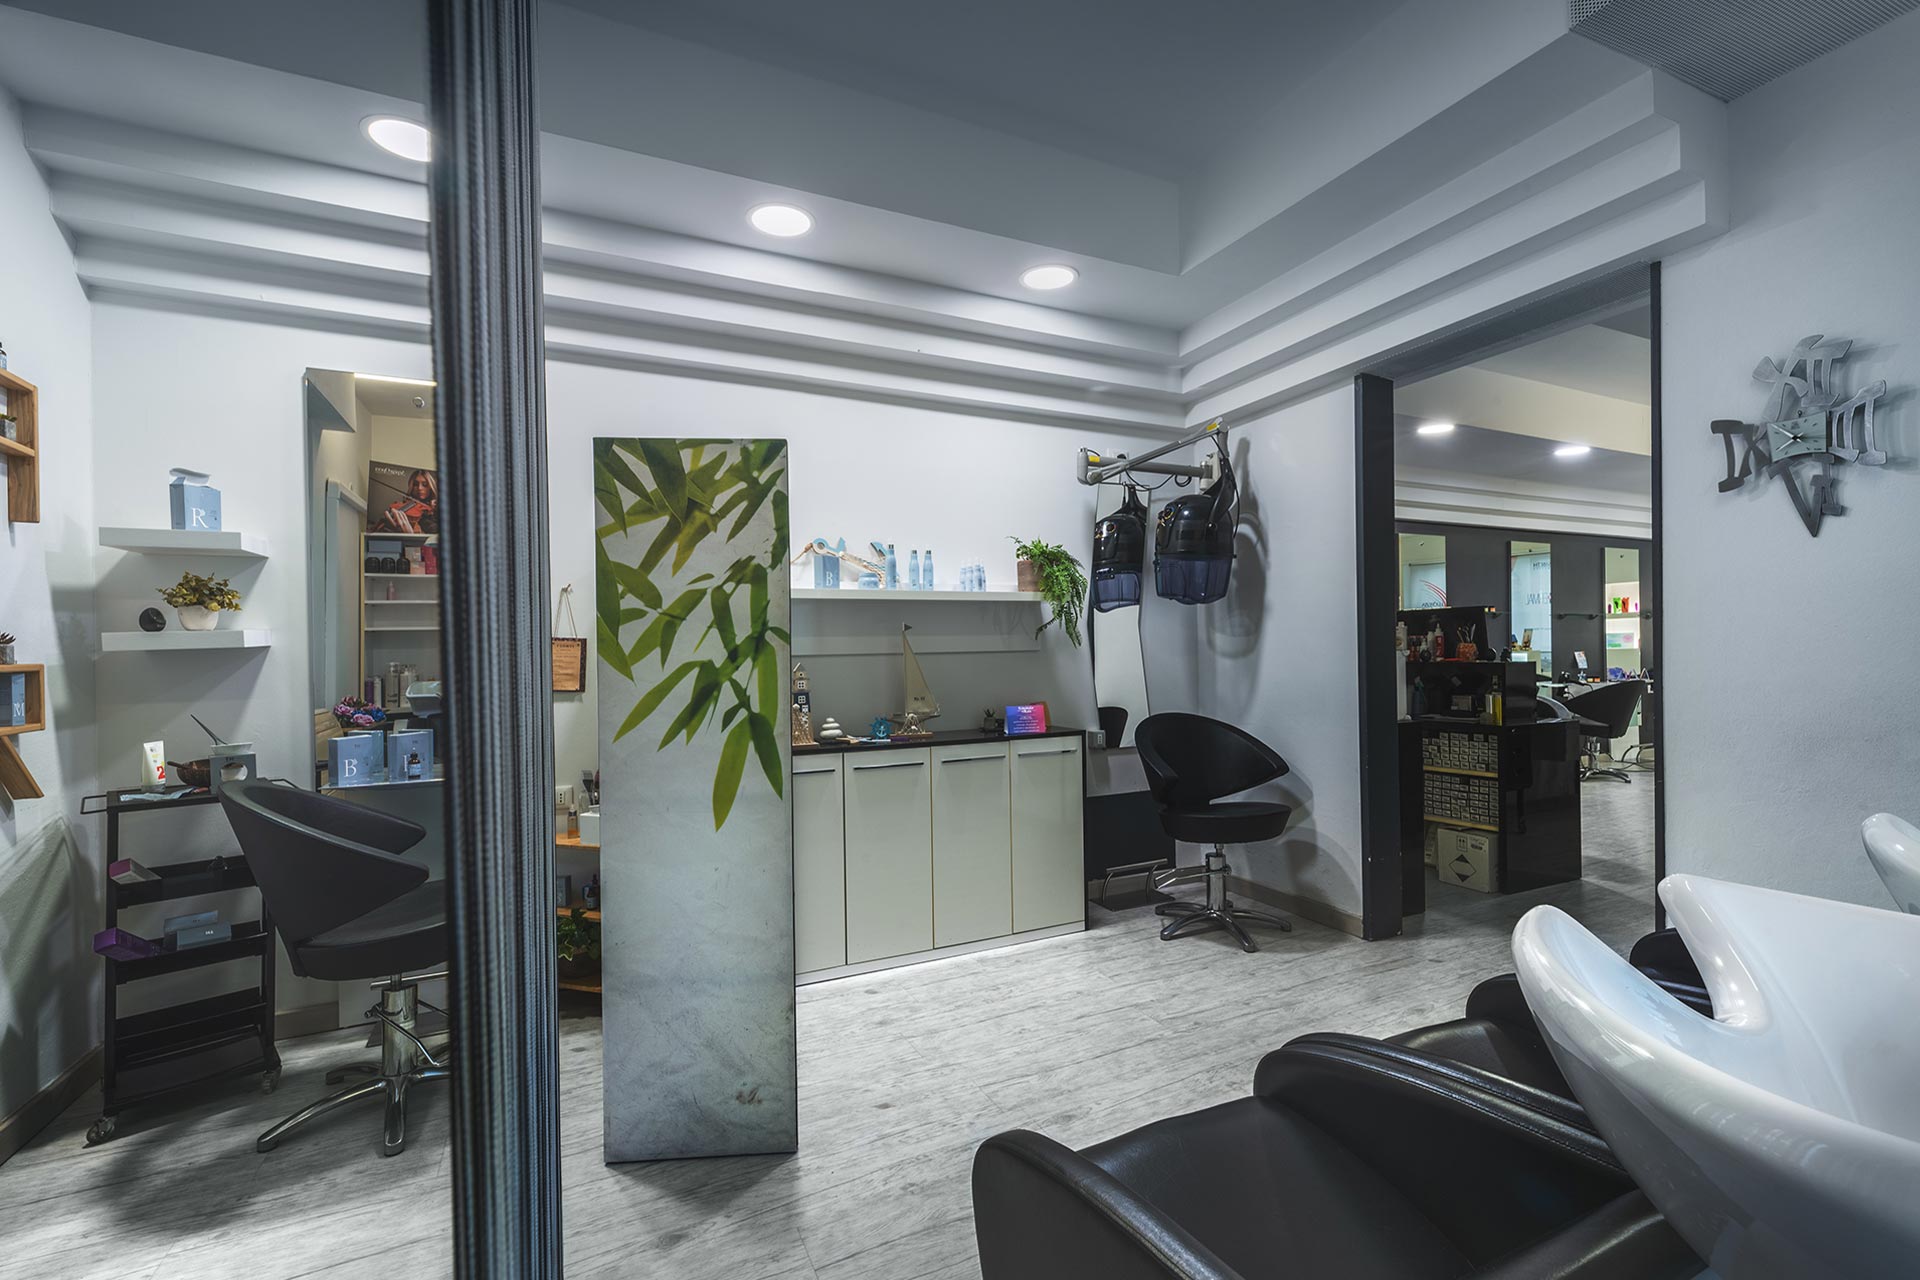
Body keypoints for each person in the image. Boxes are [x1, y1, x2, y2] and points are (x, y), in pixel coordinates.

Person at [382, 468, 439, 533]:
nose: (419, 488)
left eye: (425, 484)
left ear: (431, 487)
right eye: (415, 484)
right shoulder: (402, 505)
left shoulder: (435, 507)